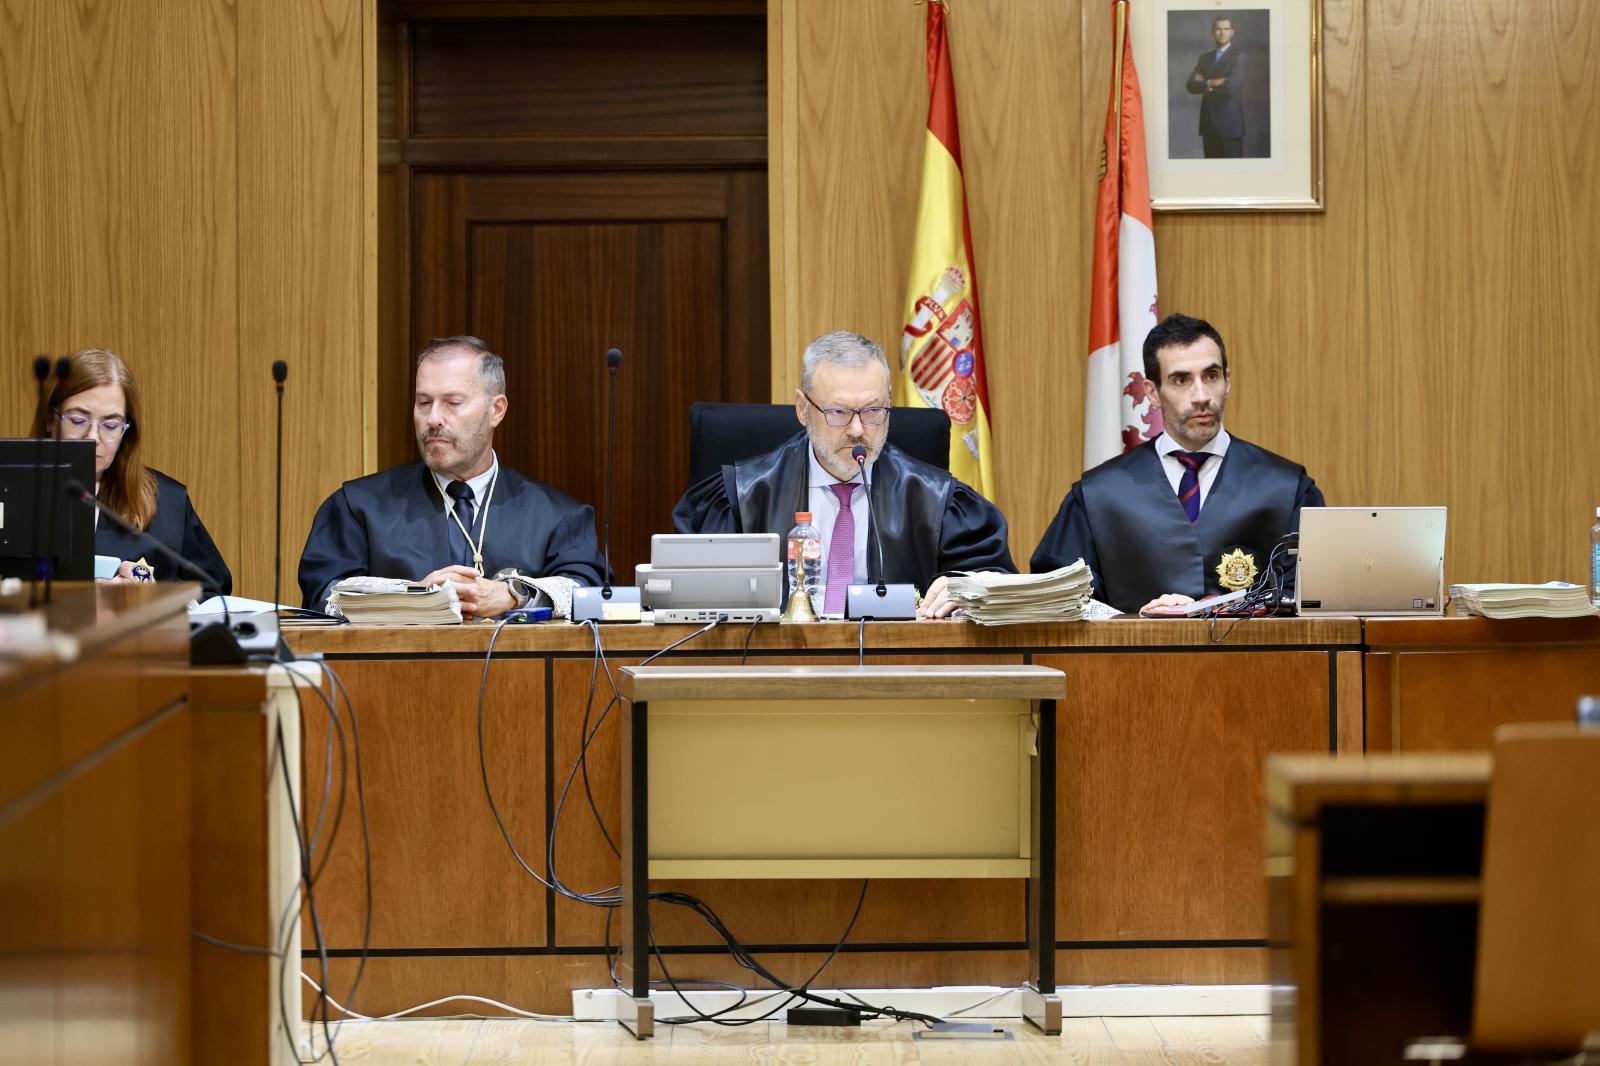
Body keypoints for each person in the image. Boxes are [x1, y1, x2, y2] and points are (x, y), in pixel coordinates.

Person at [672, 330, 1014, 619]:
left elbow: (997, 581)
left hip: (896, 675)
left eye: (872, 411)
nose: (856, 429)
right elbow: (686, 593)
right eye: (838, 412)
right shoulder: (743, 495)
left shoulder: (934, 499)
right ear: (804, 409)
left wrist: (965, 590)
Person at [1030, 314, 1323, 614]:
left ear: (1228, 380)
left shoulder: (1287, 487)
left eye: (1211, 376)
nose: (1201, 396)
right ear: (1153, 392)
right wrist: (1131, 621)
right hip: (1135, 659)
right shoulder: (1097, 496)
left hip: (1262, 659)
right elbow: (1059, 602)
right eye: (1181, 380)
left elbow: (1315, 597)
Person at [298, 336, 604, 618]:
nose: (432, 419)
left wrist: (516, 595)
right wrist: (414, 597)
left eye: (453, 403)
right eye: (424, 402)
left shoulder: (557, 516)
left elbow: (591, 592)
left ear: (496, 410)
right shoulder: (357, 507)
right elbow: (324, 595)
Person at [32, 347, 233, 599]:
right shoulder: (9, 493)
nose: (93, 438)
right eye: (77, 419)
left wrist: (152, 599)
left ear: (127, 430)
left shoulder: (168, 503)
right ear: (50, 419)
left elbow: (213, 592)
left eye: (111, 425)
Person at [1186, 15, 1248, 158]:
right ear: (1212, 32)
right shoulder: (1204, 58)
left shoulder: (1239, 57)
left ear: (1232, 32)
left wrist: (1203, 83)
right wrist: (1211, 82)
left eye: (1226, 29)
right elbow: (1190, 86)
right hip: (1208, 125)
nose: (1222, 33)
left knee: (1233, 173)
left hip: (1230, 126)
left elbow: (1230, 88)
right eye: (1218, 29)